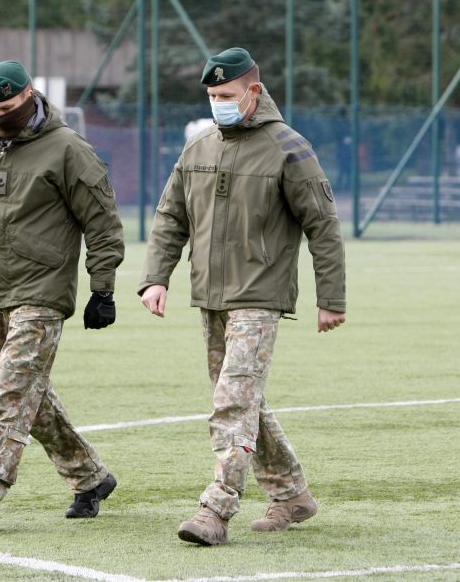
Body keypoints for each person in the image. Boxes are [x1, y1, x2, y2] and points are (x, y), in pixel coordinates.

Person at [139, 47, 346, 546]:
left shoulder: (290, 149)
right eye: (212, 96)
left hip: (261, 294)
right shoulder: (199, 148)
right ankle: (292, 493)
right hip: (210, 294)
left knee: (233, 402)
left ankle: (217, 509)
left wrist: (331, 298)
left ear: (253, 91)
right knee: (241, 398)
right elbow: (171, 216)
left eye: (226, 95)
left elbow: (323, 226)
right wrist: (156, 277)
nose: (218, 104)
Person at [0, 60, 125, 533]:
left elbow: (102, 224)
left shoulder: (68, 149)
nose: (0, 116)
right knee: (31, 398)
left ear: (29, 96)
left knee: (10, 395)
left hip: (44, 293)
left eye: (7, 106)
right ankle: (90, 477)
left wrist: (102, 289)